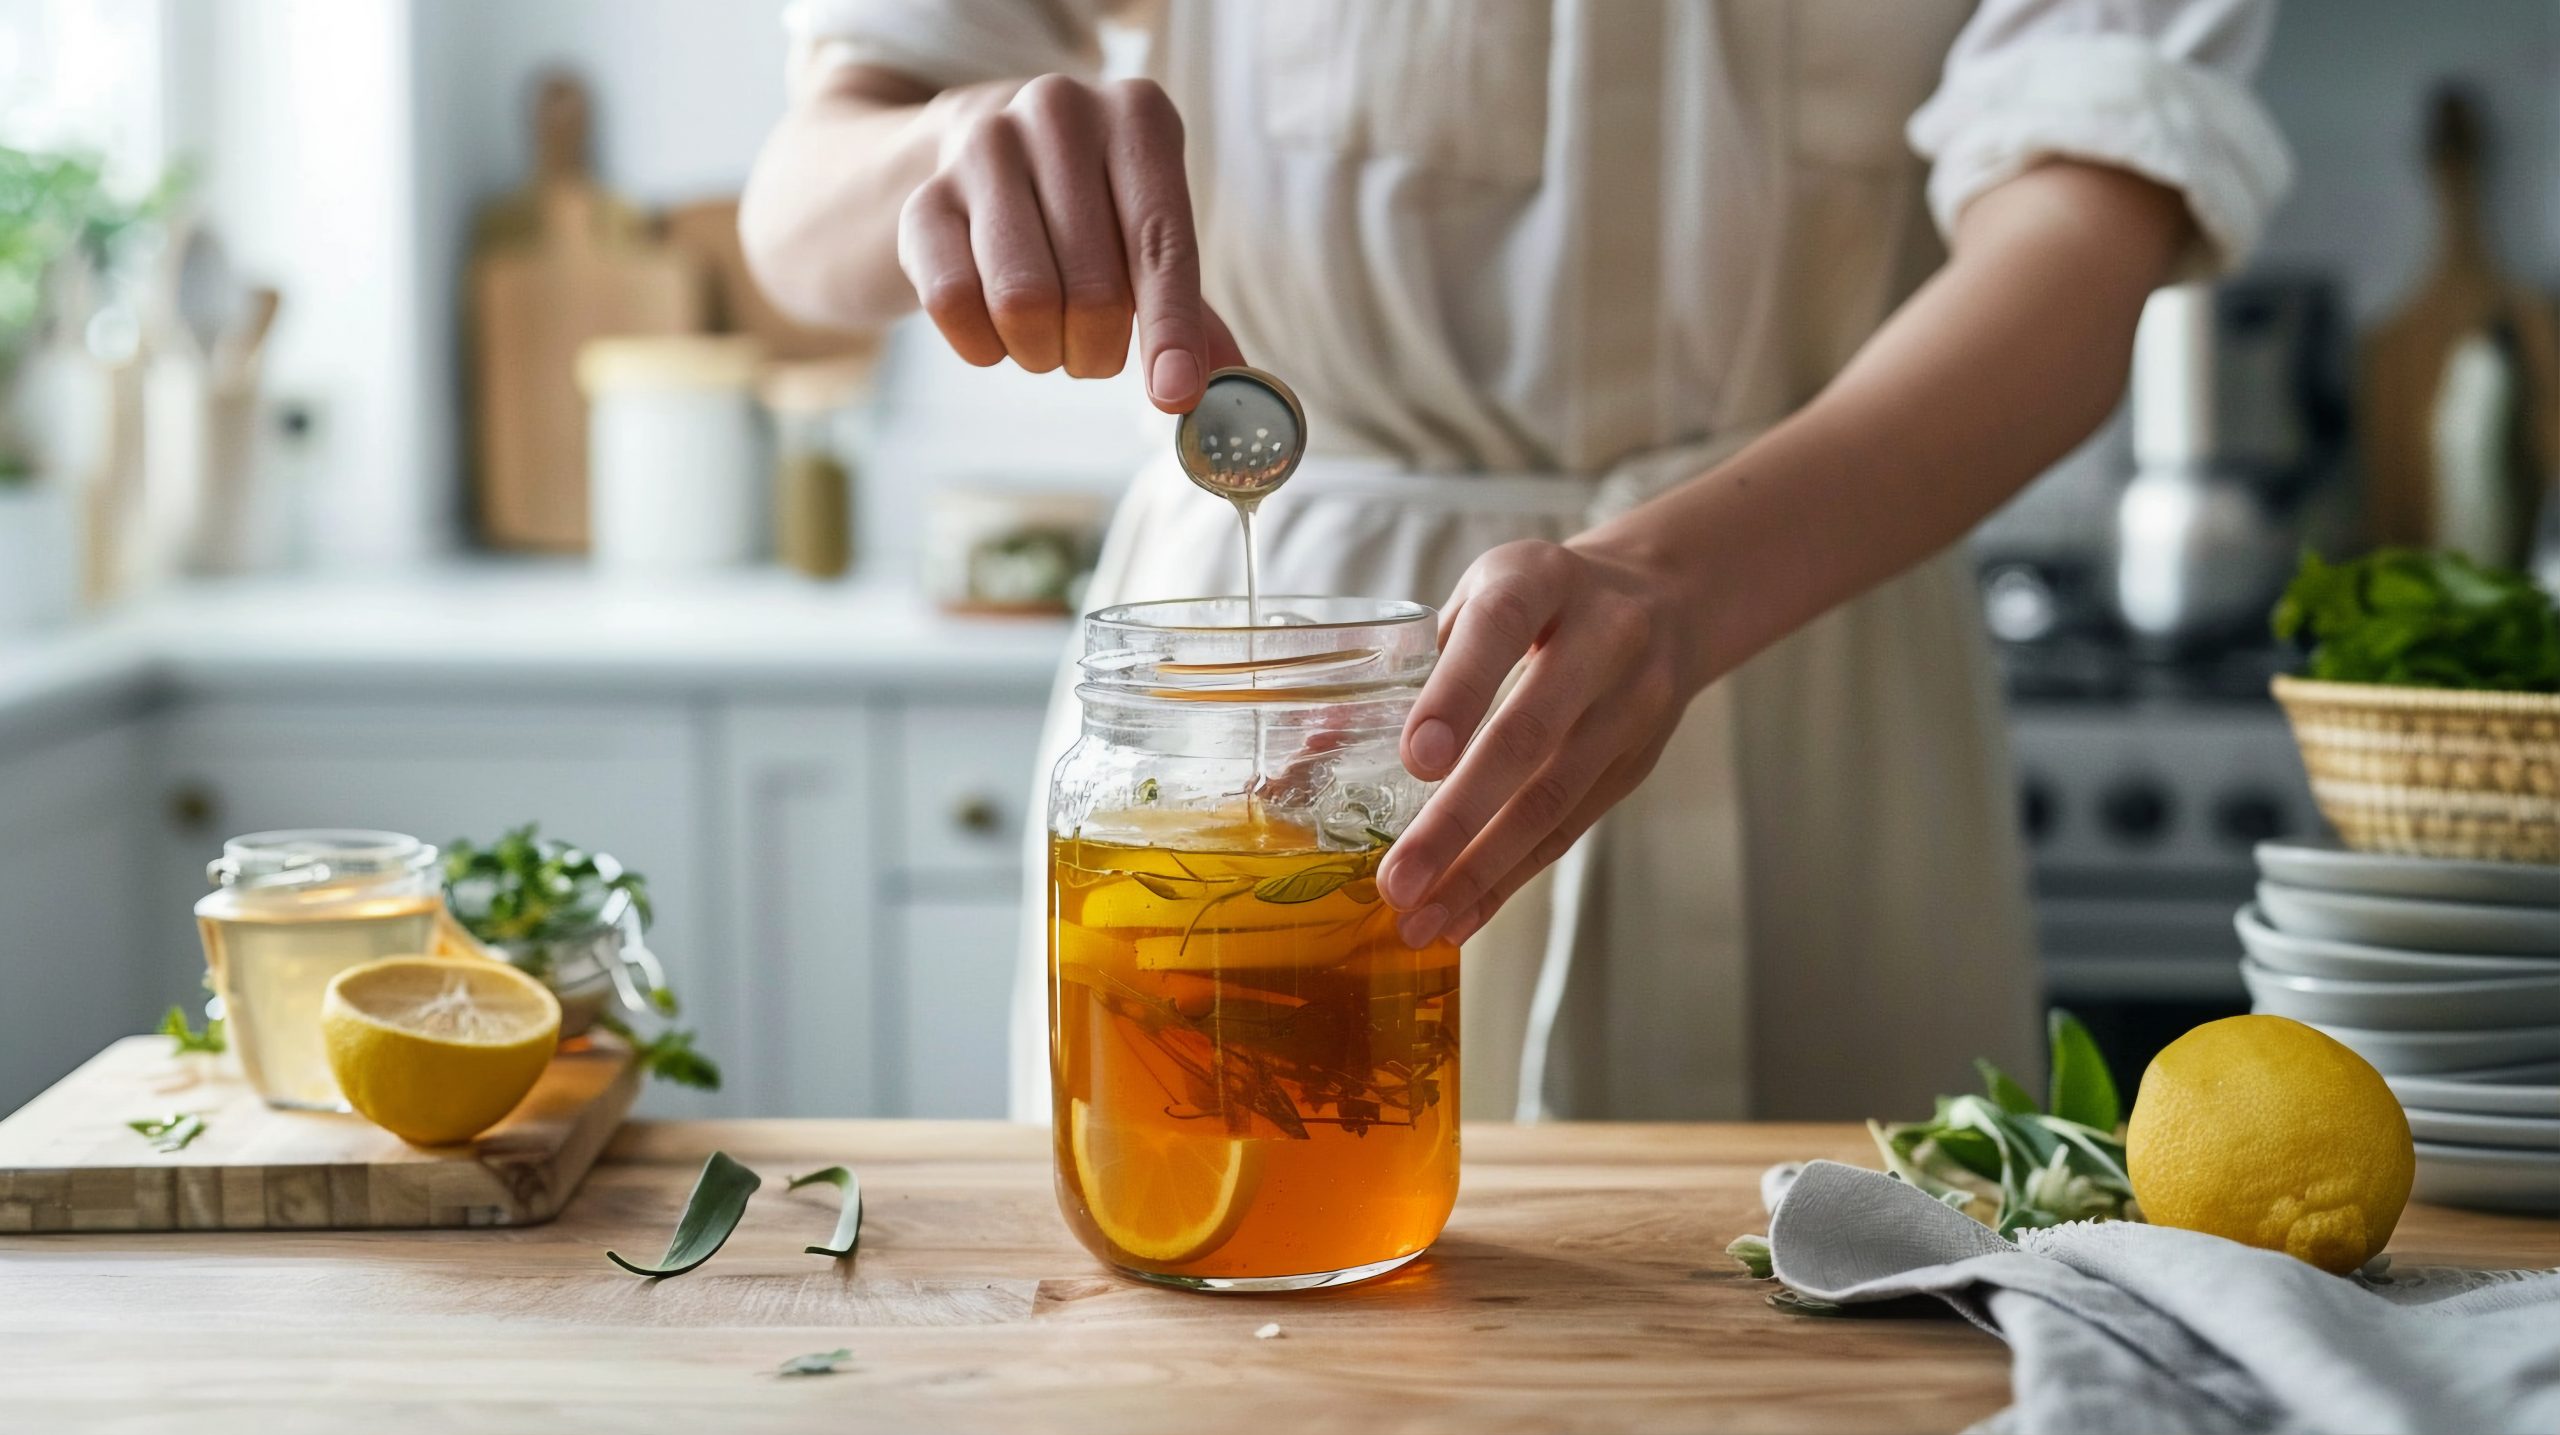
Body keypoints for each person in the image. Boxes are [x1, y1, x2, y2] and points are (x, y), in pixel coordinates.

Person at [743, 0, 2291, 1121]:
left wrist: (1686, 584)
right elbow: (801, 206)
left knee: (1855, 1335)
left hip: (1810, 645)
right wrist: (949, 153)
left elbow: (2087, 242)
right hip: (1266, 681)